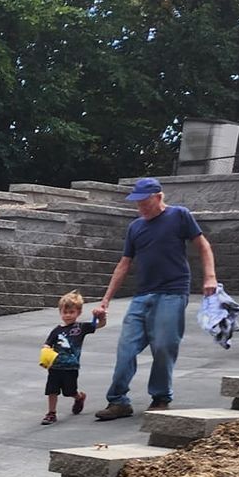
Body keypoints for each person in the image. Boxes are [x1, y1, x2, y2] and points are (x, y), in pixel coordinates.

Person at [92, 176, 217, 420]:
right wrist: (106, 299)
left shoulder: (179, 215)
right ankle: (118, 401)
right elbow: (124, 264)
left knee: (163, 346)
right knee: (126, 348)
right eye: (137, 203)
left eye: (144, 202)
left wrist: (209, 277)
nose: (140, 207)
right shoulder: (135, 227)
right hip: (142, 296)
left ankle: (160, 397)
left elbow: (203, 246)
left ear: (158, 197)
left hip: (172, 292)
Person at [38, 291, 104, 425]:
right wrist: (45, 353)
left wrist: (100, 316)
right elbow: (47, 343)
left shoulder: (81, 327)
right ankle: (51, 413)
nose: (67, 315)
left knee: (69, 391)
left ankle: (79, 397)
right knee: (52, 390)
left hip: (71, 366)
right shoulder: (56, 330)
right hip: (55, 366)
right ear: (60, 312)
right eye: (65, 312)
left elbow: (99, 325)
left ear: (78, 312)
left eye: (71, 312)